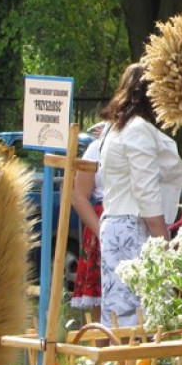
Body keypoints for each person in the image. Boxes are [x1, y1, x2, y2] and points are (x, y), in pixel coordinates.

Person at [99, 64, 182, 327]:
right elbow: (146, 193)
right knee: (142, 319)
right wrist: (164, 244)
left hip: (117, 226)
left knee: (120, 316)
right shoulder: (137, 129)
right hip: (134, 228)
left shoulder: (116, 128)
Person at [71, 129, 107, 317]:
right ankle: (100, 335)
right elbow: (79, 197)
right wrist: (102, 233)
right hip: (101, 222)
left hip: (138, 217)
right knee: (101, 297)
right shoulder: (96, 147)